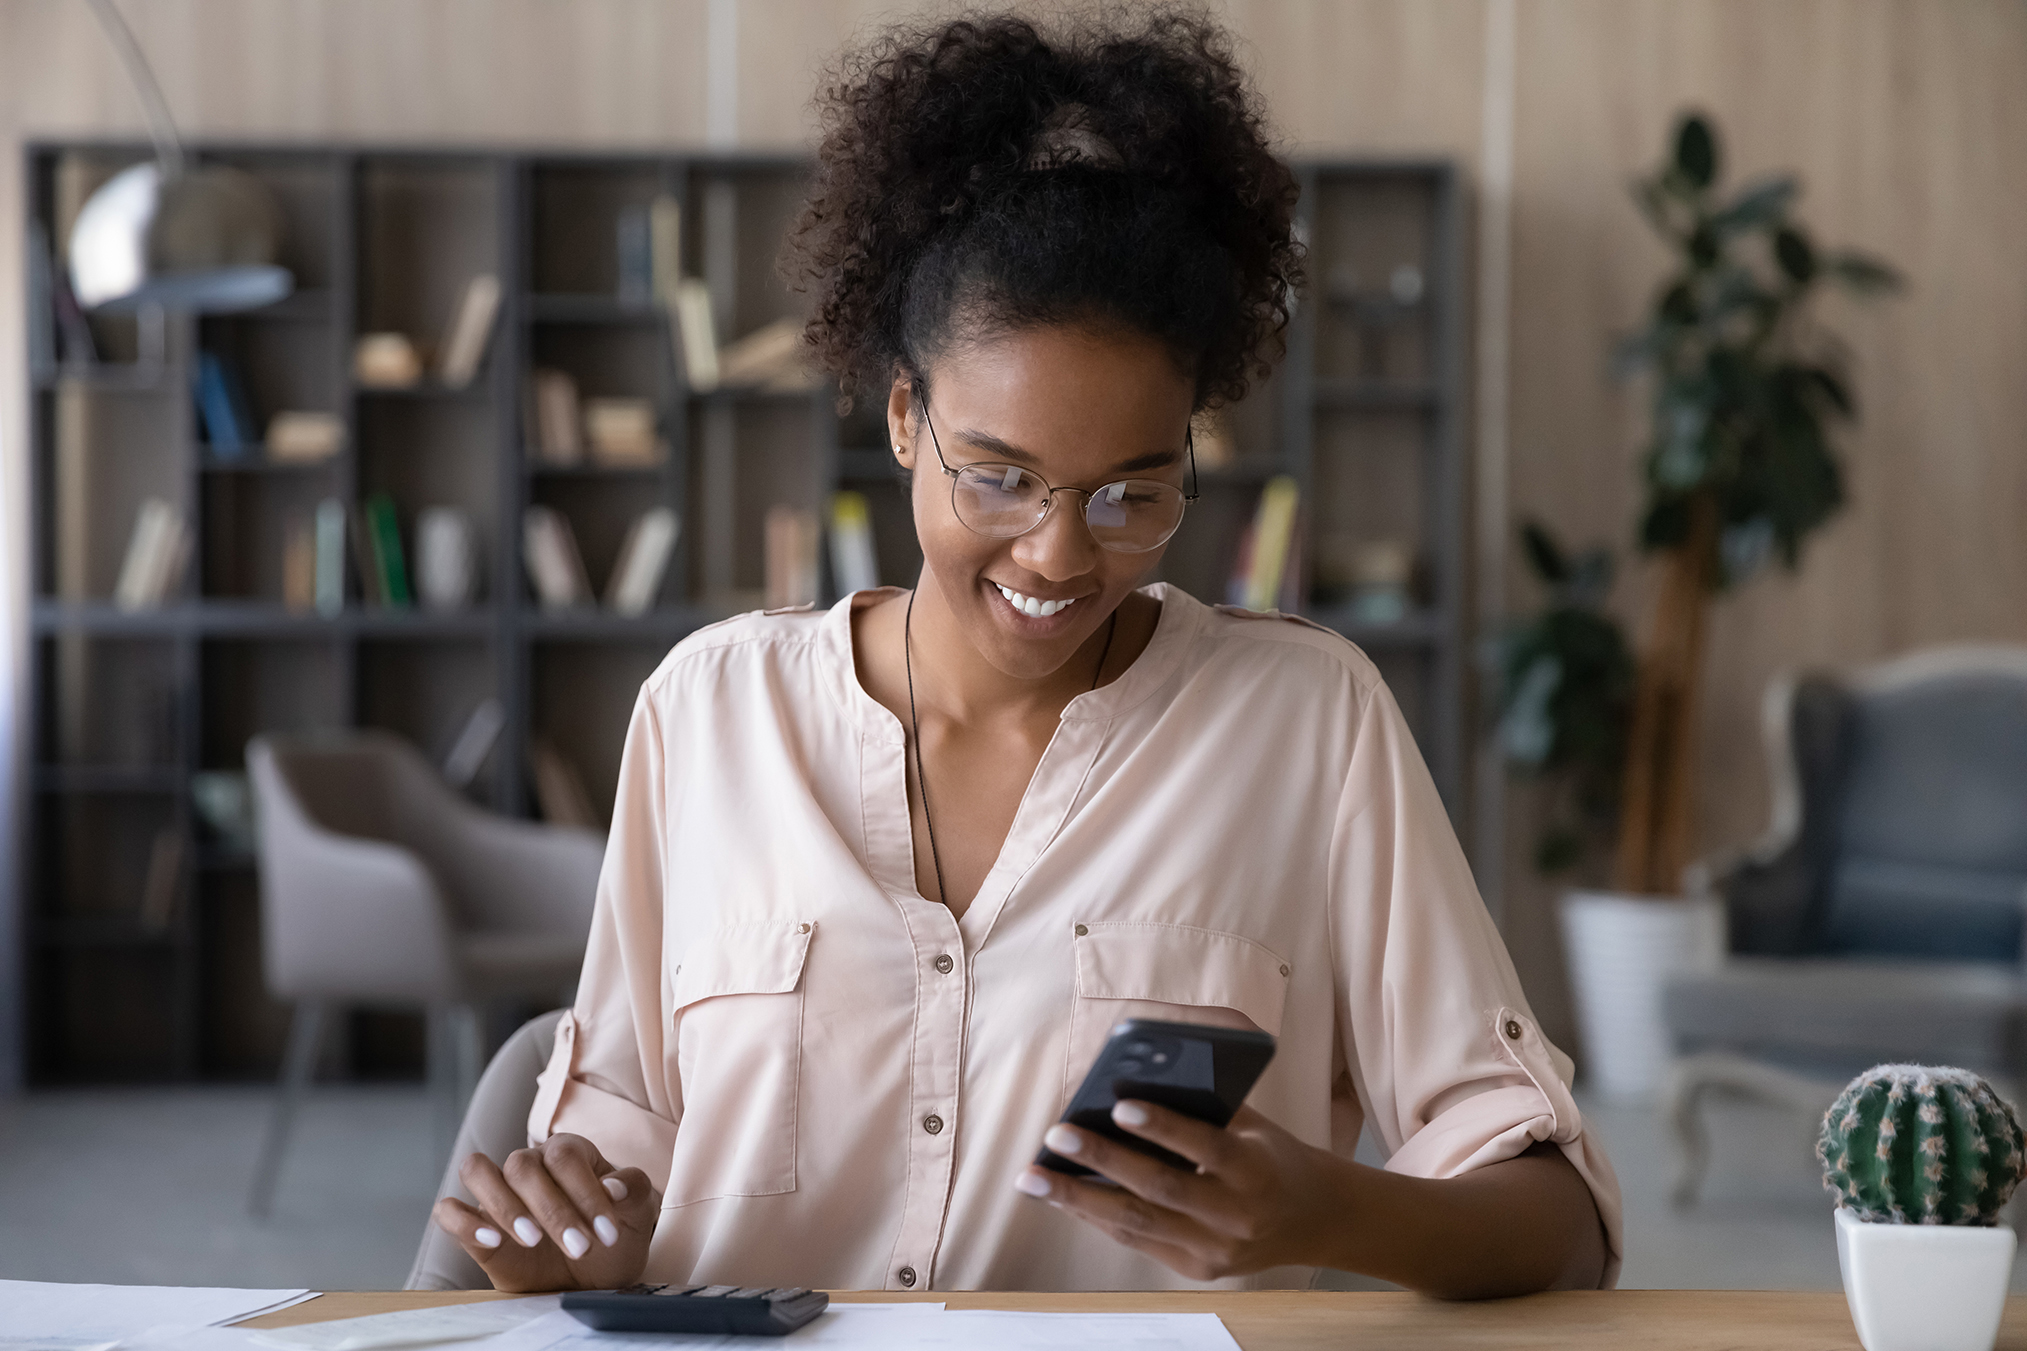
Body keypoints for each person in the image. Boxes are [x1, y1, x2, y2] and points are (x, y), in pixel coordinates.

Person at [432, 8, 1621, 1297]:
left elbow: (1561, 1220)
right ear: (904, 418)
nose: (1059, 555)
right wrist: (576, 1241)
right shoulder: (709, 714)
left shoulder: (1309, 724)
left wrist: (1328, 1212)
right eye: (999, 478)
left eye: (1131, 492)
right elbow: (609, 1151)